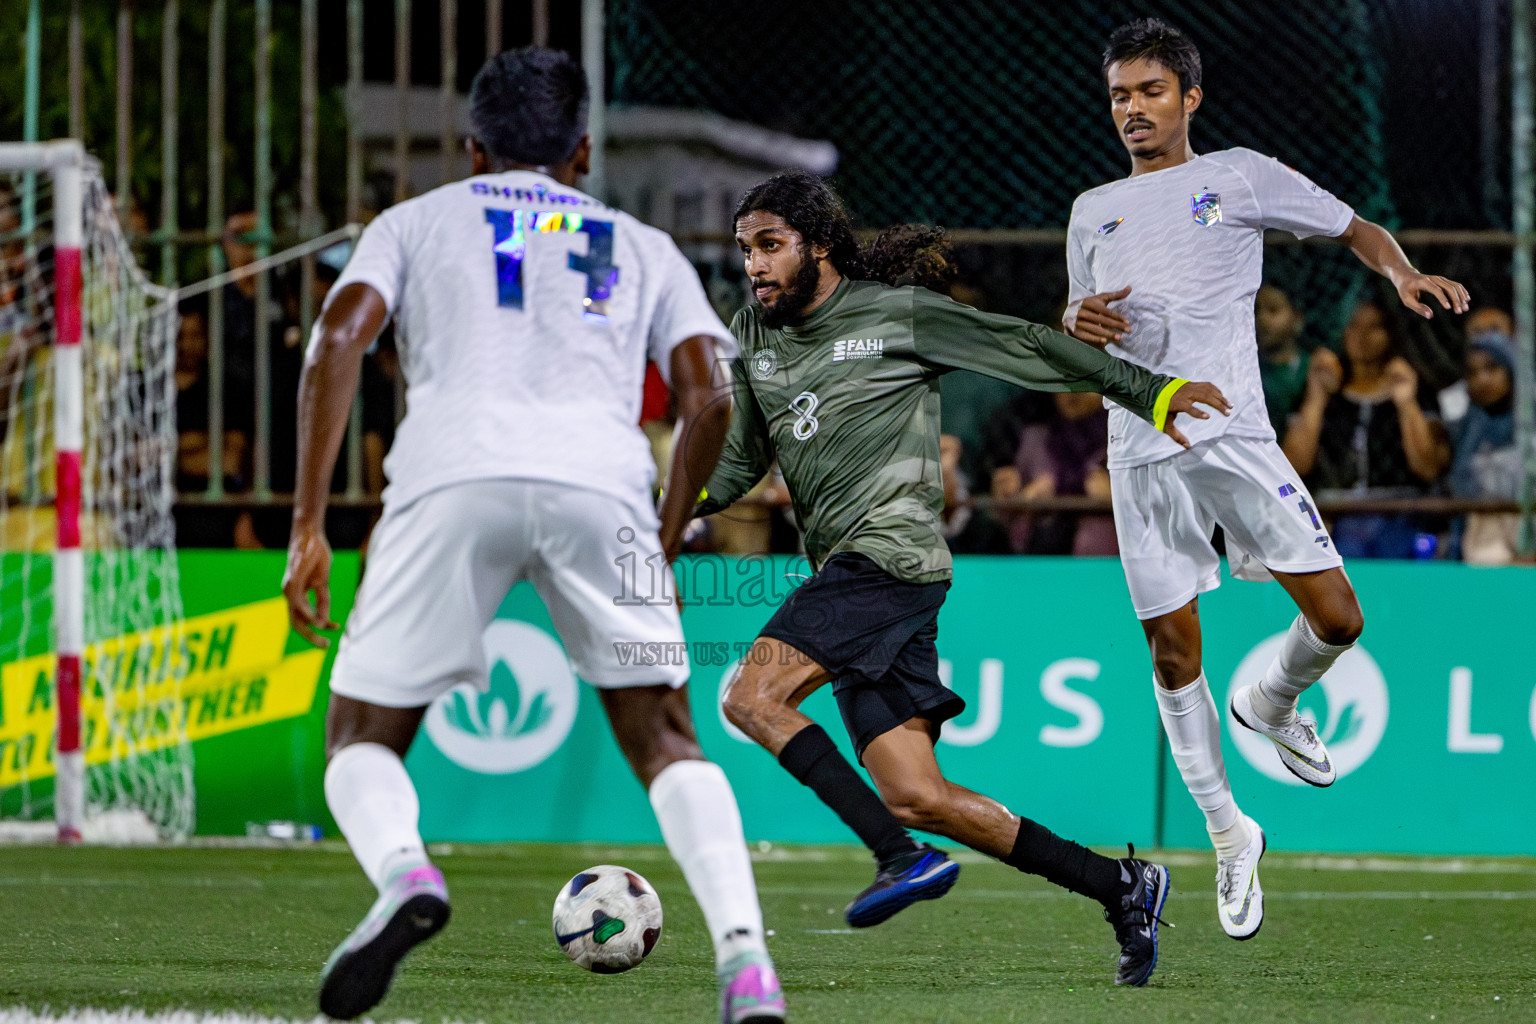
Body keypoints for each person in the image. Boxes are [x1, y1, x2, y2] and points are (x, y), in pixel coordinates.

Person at [280, 48, 785, 1024]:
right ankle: (746, 964)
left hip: (447, 479)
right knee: (667, 738)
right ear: (583, 150)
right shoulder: (639, 244)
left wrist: (308, 524)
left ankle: (403, 875)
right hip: (601, 486)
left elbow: (337, 339)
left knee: (360, 734)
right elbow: (712, 393)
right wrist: (664, 533)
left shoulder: (414, 222)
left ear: (473, 151)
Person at [696, 171, 1231, 987]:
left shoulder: (896, 317)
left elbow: (1030, 347)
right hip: (867, 581)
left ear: (821, 246)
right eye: (745, 251)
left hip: (887, 561)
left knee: (749, 697)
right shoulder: (755, 334)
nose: (754, 266)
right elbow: (738, 462)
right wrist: (676, 506)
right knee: (919, 793)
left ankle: (896, 857)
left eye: (770, 245)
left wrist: (1151, 394)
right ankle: (1120, 886)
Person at [1062, 19, 1468, 939]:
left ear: (1189, 97)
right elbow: (1078, 318)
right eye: (1120, 93)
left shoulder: (1237, 174)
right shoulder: (1092, 209)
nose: (1133, 109)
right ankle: (1228, 834)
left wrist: (1401, 274)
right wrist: (1079, 322)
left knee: (1338, 619)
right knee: (1171, 653)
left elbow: (1355, 227)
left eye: (1150, 91)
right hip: (1138, 446)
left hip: (1235, 436)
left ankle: (1272, 701)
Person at [1282, 298, 1450, 557]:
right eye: (1354, 327)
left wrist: (1406, 402)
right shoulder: (1326, 395)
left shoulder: (1417, 390)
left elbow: (1427, 467)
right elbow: (1295, 465)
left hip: (1399, 512)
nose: (1363, 336)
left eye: (1374, 328)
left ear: (1390, 334)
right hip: (1334, 515)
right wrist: (1316, 395)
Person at [990, 390, 1118, 556]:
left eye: (1084, 384)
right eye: (1064, 385)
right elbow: (1007, 526)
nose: (1073, 393)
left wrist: (1115, 499)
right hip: (1040, 565)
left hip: (1107, 567)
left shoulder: (1120, 442)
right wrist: (1021, 499)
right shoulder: (1034, 440)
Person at [1448, 330, 1519, 564]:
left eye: (1492, 369)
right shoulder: (1466, 427)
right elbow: (1459, 486)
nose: (1482, 380)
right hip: (1481, 526)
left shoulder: (1528, 420)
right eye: (1472, 372)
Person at [1255, 284, 1310, 437]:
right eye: (1256, 311)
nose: (1262, 319)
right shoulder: (1247, 369)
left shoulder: (1311, 368)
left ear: (1297, 319)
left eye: (1273, 310)